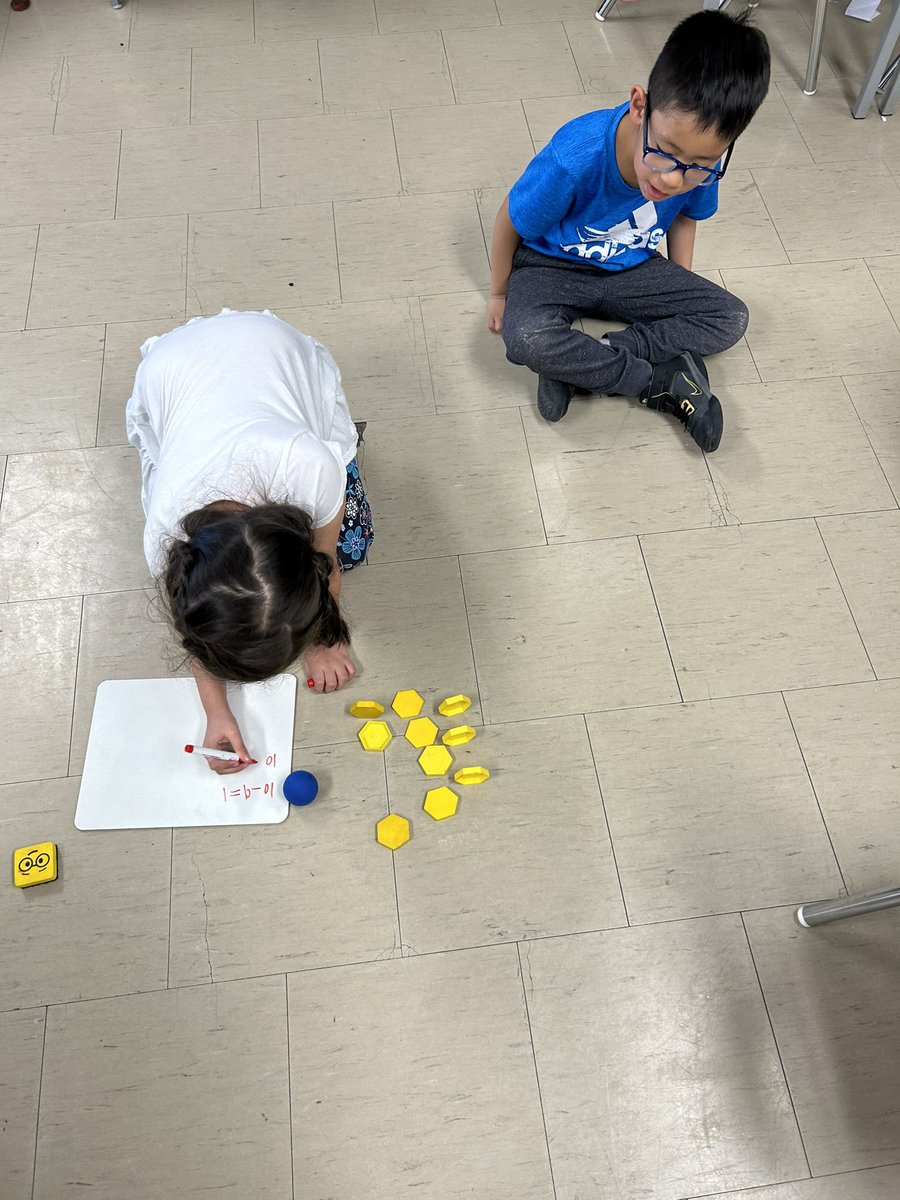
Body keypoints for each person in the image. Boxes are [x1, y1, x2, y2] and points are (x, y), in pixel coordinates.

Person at [487, 8, 770, 452]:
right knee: (524, 338)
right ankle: (655, 380)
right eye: (667, 153)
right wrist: (499, 293)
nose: (673, 179)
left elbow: (684, 218)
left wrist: (679, 291)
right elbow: (510, 217)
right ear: (640, 105)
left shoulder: (700, 167)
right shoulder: (573, 157)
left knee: (731, 318)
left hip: (633, 267)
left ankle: (577, 365)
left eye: (699, 165)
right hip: (550, 264)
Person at [126, 309, 373, 775]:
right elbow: (197, 626)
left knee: (352, 545)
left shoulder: (308, 464)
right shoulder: (166, 533)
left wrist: (325, 639)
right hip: (173, 367)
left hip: (275, 347)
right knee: (349, 542)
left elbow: (329, 559)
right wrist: (216, 711)